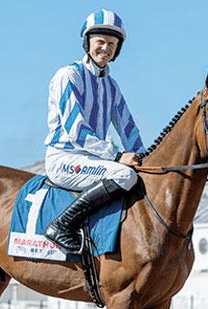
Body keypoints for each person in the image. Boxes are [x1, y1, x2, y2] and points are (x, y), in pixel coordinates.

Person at [43, 9, 145, 253]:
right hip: (64, 158)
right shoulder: (68, 75)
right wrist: (118, 156)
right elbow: (76, 130)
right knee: (125, 176)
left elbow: (128, 127)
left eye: (112, 44)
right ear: (87, 43)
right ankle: (61, 227)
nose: (105, 48)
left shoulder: (111, 85)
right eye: (100, 42)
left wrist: (144, 156)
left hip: (95, 160)